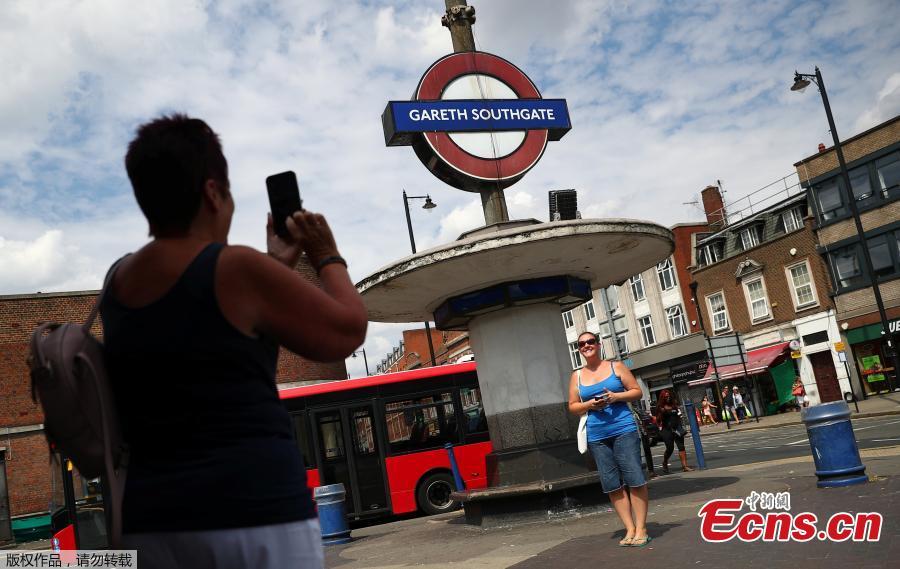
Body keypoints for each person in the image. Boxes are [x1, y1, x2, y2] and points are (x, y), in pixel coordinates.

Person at [100, 115, 368, 568]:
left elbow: (206, 330)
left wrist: (274, 266)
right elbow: (347, 331)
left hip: (151, 521)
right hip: (252, 512)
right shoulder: (235, 269)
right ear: (211, 193)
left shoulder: (117, 281)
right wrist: (326, 254)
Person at [568, 332, 650, 547]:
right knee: (612, 484)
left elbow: (636, 392)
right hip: (597, 436)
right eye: (582, 344)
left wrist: (616, 397)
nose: (587, 346)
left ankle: (641, 528)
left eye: (590, 342)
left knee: (634, 479)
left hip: (623, 429)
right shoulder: (577, 376)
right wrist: (589, 405)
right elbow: (573, 406)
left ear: (598, 344)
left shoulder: (616, 367)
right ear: (579, 349)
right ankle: (629, 528)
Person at [655, 389, 694, 474]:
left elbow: (678, 415)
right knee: (670, 448)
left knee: (681, 447)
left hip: (677, 428)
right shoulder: (660, 406)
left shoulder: (674, 404)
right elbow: (657, 420)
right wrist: (661, 413)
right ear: (662, 398)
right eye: (666, 397)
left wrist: (680, 420)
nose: (668, 398)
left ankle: (685, 466)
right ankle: (665, 462)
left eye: (669, 396)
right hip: (667, 430)